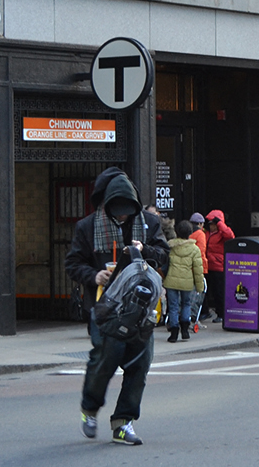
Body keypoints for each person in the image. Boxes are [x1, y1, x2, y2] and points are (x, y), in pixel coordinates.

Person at [64, 168, 170, 446]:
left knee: (140, 364)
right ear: (106, 204)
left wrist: (144, 250)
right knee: (104, 360)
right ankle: (90, 407)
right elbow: (73, 264)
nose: (123, 216)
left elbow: (164, 258)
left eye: (127, 211)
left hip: (141, 310)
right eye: (118, 211)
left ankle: (123, 422)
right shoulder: (87, 227)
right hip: (104, 309)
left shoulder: (148, 222)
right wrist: (94, 275)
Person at [161, 220, 204, 343]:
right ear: (190, 233)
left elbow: (165, 263)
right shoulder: (194, 249)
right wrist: (200, 287)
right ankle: (185, 330)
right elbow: (197, 269)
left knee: (173, 307)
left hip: (171, 280)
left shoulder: (170, 246)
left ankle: (174, 333)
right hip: (187, 281)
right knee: (186, 304)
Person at [204, 209, 234, 323]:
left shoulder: (222, 233)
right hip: (207, 265)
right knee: (205, 291)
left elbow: (230, 236)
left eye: (213, 224)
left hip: (218, 266)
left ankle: (221, 313)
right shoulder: (207, 233)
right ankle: (205, 312)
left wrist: (220, 223)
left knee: (219, 292)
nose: (211, 226)